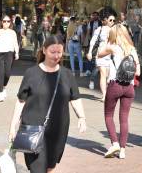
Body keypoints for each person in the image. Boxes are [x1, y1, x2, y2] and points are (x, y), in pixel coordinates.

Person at [8, 36, 87, 173]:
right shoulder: (31, 73)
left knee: (50, 167)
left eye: (59, 52)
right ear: (44, 50)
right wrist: (13, 126)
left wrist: (82, 117)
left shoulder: (67, 74)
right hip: (33, 129)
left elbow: (75, 98)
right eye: (52, 52)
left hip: (58, 130)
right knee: (38, 169)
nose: (56, 56)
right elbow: (21, 101)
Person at [97, 24, 141, 159]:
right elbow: (138, 71)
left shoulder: (113, 47)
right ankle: (122, 150)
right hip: (129, 87)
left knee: (109, 115)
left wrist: (106, 41)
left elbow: (99, 53)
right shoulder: (132, 49)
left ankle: (114, 143)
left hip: (115, 84)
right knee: (124, 118)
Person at [0, 15, 19, 102]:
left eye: (8, 21)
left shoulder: (12, 32)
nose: (6, 23)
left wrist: (17, 53)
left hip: (9, 53)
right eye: (4, 21)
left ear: (10, 22)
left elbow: (15, 43)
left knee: (7, 73)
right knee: (0, 72)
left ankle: (4, 86)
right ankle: (0, 92)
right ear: (1, 22)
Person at [86, 12, 114, 99]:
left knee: (109, 75)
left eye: (114, 20)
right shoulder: (99, 29)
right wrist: (90, 52)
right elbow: (93, 41)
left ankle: (107, 93)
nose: (112, 21)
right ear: (105, 20)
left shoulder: (114, 30)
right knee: (102, 74)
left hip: (111, 55)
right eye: (110, 20)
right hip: (101, 54)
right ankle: (105, 95)